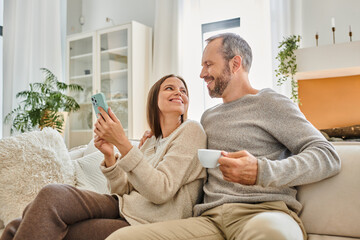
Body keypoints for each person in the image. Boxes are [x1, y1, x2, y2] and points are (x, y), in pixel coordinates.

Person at [104, 33, 341, 240]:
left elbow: (327, 155)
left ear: (235, 63)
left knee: (273, 235)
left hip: (262, 213)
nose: (201, 74)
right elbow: (181, 148)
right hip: (209, 220)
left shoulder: (271, 103)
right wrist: (155, 139)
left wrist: (261, 170)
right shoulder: (208, 118)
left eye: (208, 64)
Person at [0, 74, 207, 240]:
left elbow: (161, 190)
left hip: (148, 220)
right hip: (122, 205)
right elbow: (123, 189)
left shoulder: (191, 131)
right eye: (170, 88)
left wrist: (123, 144)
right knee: (34, 209)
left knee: (56, 228)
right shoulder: (152, 140)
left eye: (183, 90)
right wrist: (110, 155)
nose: (179, 93)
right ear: (154, 99)